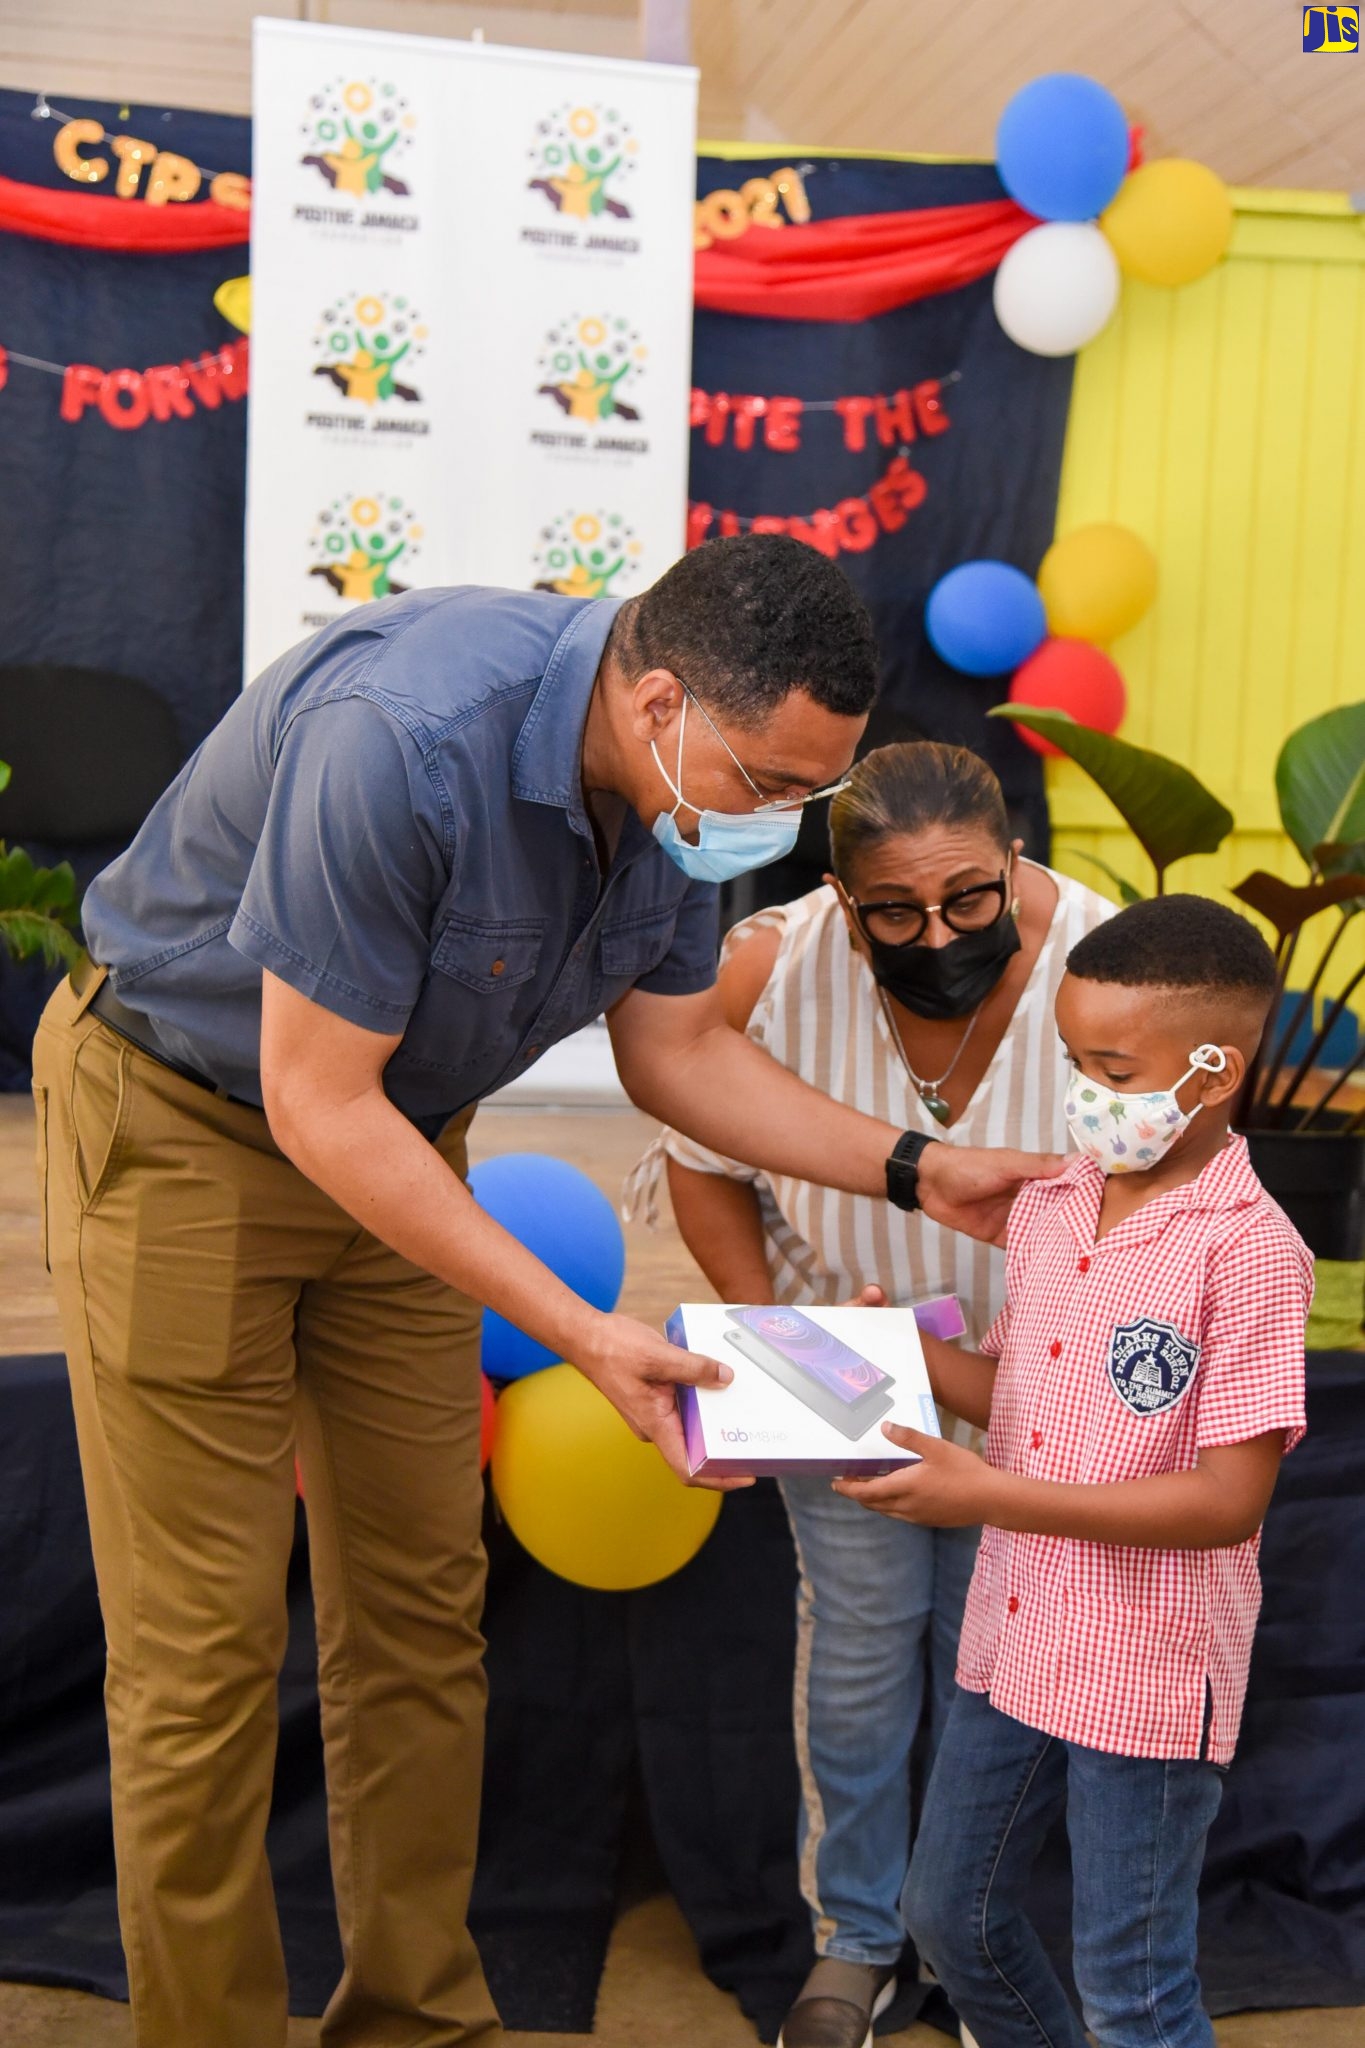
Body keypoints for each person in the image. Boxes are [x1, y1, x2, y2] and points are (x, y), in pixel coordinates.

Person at [31, 535, 1054, 2048]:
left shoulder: (680, 793)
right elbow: (318, 1103)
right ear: (656, 702)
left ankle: (419, 2020)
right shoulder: (405, 737)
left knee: (422, 1620)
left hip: (403, 1140)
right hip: (190, 1125)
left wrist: (914, 1169)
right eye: (769, 785)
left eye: (805, 796)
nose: (777, 825)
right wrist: (584, 1331)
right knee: (203, 1657)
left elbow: (679, 1058)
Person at [631, 740, 1111, 2048]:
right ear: (840, 902)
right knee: (852, 1667)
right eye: (893, 912)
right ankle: (853, 1938)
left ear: (1017, 861)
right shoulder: (771, 967)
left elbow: (1159, 1200)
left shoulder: (1109, 969)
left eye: (970, 898)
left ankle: (969, 1938)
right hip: (838, 1382)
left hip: (1035, 1387)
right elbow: (697, 1150)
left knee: (985, 1670)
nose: (938, 931)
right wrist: (774, 1335)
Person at [836, 896, 1313, 2048]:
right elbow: (1023, 1397)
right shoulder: (1053, 1207)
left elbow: (1226, 1500)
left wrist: (987, 1494)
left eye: (1111, 1065)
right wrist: (896, 1349)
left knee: (1134, 1990)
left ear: (1216, 1070)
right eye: (1071, 1058)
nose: (1084, 1089)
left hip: (1146, 1668)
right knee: (948, 1913)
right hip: (1017, 1633)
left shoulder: (1251, 1252)